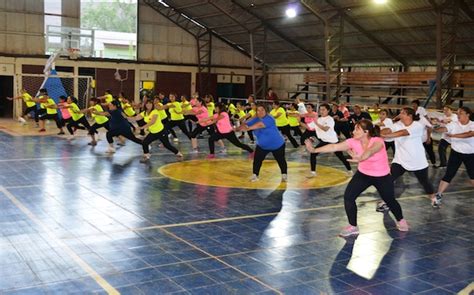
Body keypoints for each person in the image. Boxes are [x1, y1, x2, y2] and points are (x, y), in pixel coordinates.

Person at [305, 119, 409, 237]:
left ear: (366, 132)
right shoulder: (353, 141)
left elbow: (370, 151)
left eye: (357, 129)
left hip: (382, 176)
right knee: (348, 197)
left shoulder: (378, 141)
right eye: (354, 128)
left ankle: (401, 220)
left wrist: (361, 158)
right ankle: (353, 226)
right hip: (363, 174)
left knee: (390, 200)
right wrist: (314, 150)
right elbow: (334, 146)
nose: (353, 131)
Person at [380, 107, 436, 208]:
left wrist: (387, 136)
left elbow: (403, 133)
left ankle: (433, 198)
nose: (400, 115)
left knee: (425, 182)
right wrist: (382, 132)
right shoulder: (398, 124)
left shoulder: (417, 125)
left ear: (410, 116)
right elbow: (389, 129)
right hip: (400, 160)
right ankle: (386, 201)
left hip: (417, 161)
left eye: (402, 113)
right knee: (388, 180)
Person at [433, 107, 474, 207]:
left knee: (473, 177)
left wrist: (454, 136)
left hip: (470, 155)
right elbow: (445, 129)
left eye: (461, 113)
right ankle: (438, 195)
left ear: (468, 114)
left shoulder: (472, 124)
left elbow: (470, 134)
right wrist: (436, 127)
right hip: (456, 153)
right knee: (448, 174)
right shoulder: (454, 124)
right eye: (458, 113)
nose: (458, 114)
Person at [240, 104, 288, 182]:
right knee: (257, 160)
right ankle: (255, 175)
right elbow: (243, 125)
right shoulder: (254, 119)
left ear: (266, 111)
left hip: (277, 145)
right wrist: (241, 125)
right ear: (256, 112)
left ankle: (284, 175)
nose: (260, 112)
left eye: (262, 110)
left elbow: (260, 125)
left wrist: (249, 128)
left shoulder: (270, 118)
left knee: (281, 160)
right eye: (258, 110)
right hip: (262, 146)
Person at [305, 103, 353, 178]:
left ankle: (350, 170)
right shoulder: (319, 119)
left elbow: (325, 129)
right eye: (320, 109)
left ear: (328, 110)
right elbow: (308, 127)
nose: (321, 111)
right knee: (313, 153)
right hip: (324, 141)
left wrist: (316, 123)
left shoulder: (330, 119)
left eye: (323, 109)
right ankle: (313, 173)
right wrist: (299, 121)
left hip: (333, 141)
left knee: (341, 157)